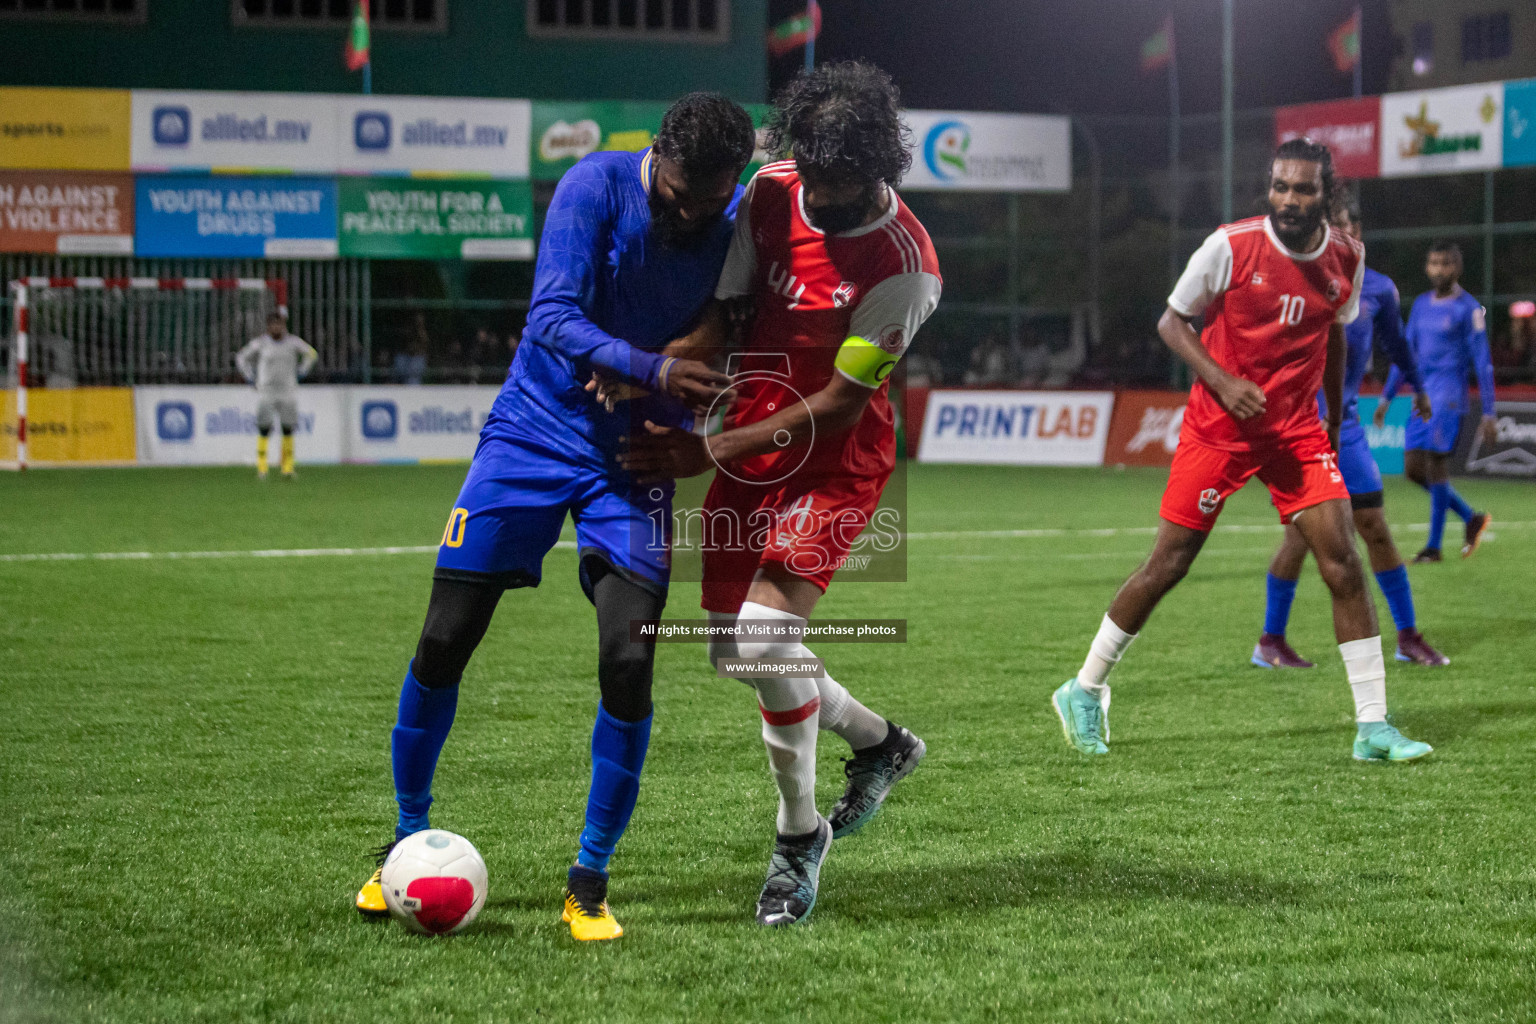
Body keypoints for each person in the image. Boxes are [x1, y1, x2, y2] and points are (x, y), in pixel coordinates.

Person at [352, 93, 756, 942]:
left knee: (627, 655)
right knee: (443, 639)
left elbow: (728, 318)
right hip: (531, 434)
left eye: (710, 199)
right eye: (679, 196)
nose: (691, 213)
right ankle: (400, 842)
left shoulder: (732, 218)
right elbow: (551, 317)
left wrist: (664, 372)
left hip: (638, 452)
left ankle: (589, 880)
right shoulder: (594, 187)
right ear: (656, 158)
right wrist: (642, 361)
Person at [618, 62, 942, 926]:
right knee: (740, 655)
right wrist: (663, 367)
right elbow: (730, 310)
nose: (820, 205)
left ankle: (798, 843)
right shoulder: (769, 189)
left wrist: (705, 448)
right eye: (813, 181)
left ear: (882, 169)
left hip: (833, 459)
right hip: (752, 441)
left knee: (764, 642)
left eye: (839, 194)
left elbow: (839, 405)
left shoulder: (906, 263)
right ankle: (880, 743)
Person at [1050, 138, 1432, 764]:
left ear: (1325, 194)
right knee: (1167, 565)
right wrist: (1224, 382)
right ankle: (1085, 688)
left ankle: (1373, 727)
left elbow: (1335, 337)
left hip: (1297, 433)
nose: (1288, 199)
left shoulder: (1346, 258)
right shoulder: (1230, 245)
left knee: (1343, 562)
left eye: (1302, 188)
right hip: (1219, 429)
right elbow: (1172, 322)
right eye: (1280, 186)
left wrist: (1333, 420)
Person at [1254, 202, 1448, 669]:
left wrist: (1419, 387)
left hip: (1349, 426)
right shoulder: (1296, 278)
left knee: (1375, 528)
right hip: (1301, 428)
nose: (1344, 231)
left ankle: (1407, 636)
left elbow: (1398, 344)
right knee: (1300, 539)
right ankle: (1270, 641)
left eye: (1351, 224)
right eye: (1335, 223)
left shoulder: (1378, 288)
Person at [1377, 241, 1495, 562]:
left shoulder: (1469, 309)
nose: (1438, 269)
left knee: (1437, 465)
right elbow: (1406, 355)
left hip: (1449, 396)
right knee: (1413, 470)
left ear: (1457, 268)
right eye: (1433, 263)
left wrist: (1490, 412)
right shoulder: (1421, 305)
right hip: (1421, 396)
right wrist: (1387, 398)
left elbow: (1483, 362)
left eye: (1445, 263)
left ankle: (1433, 547)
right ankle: (1470, 518)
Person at [235, 311, 317, 480]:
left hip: (287, 390)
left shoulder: (293, 342)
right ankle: (262, 467)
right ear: (268, 326)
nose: (276, 327)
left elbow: (311, 354)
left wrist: (302, 371)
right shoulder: (261, 343)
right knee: (264, 428)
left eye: (278, 324)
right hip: (267, 390)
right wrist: (250, 377)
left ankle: (287, 468)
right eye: (272, 324)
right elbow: (241, 357)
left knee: (288, 428)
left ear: (283, 325)